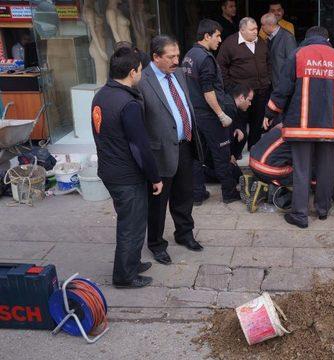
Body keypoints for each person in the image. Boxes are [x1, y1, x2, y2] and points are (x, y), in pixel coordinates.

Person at [263, 26, 334, 228]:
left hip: (301, 127)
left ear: (306, 38)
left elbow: (283, 89)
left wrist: (270, 113)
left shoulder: (297, 55)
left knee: (302, 170)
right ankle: (322, 209)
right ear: (327, 38)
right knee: (326, 168)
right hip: (330, 127)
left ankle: (300, 215)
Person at [91, 47, 161, 288]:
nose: (141, 74)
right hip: (127, 175)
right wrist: (155, 177)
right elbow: (140, 147)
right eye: (140, 70)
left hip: (110, 170)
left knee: (128, 220)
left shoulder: (102, 95)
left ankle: (131, 262)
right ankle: (125, 276)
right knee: (131, 226)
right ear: (132, 72)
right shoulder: (127, 103)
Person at [138, 35, 205, 265]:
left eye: (178, 55)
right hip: (159, 152)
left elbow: (184, 105)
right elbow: (139, 122)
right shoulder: (142, 80)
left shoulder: (177, 74)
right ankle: (156, 244)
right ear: (155, 57)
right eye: (171, 57)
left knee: (185, 195)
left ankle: (184, 233)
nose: (177, 60)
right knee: (158, 202)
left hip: (184, 145)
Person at [183, 19, 242, 204]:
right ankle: (229, 193)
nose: (220, 39)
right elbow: (208, 92)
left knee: (196, 156)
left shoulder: (189, 55)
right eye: (217, 36)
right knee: (222, 155)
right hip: (209, 115)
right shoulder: (206, 58)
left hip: (194, 115)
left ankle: (197, 194)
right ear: (207, 36)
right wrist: (221, 115)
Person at [217, 17, 271, 153]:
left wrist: (267, 80)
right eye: (252, 29)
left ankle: (255, 152)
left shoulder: (261, 42)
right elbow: (220, 67)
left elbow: (269, 62)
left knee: (257, 124)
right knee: (239, 125)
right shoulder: (229, 44)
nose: (256, 31)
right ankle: (235, 155)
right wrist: (230, 88)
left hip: (260, 91)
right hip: (240, 94)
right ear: (242, 30)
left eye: (256, 28)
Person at [244, 123, 293, 213]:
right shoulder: (302, 131)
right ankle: (267, 192)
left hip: (253, 161)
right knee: (301, 173)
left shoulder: (283, 122)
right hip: (267, 168)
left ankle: (251, 182)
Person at [261, 12, 297, 91]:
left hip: (283, 85)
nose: (261, 27)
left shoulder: (288, 38)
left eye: (263, 25)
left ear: (270, 25)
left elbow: (292, 63)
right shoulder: (268, 38)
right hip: (271, 84)